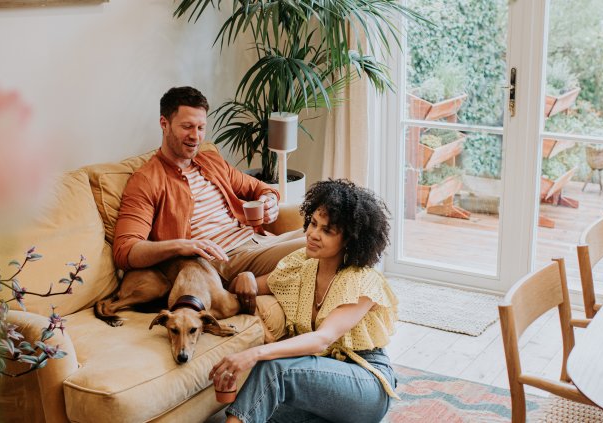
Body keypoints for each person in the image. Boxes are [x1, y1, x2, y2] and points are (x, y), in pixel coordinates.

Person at [209, 179, 399, 423]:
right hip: (319, 385)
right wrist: (244, 278)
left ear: (350, 240)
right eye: (313, 223)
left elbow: (322, 339)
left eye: (327, 230)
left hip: (365, 383)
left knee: (273, 369)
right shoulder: (301, 266)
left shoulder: (362, 281)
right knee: (259, 408)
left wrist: (255, 353)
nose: (313, 234)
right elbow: (254, 285)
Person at [112, 86, 306, 310]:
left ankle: (252, 283)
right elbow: (125, 250)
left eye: (201, 127)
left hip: (258, 240)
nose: (195, 136)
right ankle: (237, 285)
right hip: (224, 259)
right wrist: (181, 246)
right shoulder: (146, 180)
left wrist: (269, 200)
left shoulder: (210, 161)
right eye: (187, 127)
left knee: (329, 231)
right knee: (316, 246)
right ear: (164, 124)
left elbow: (259, 188)